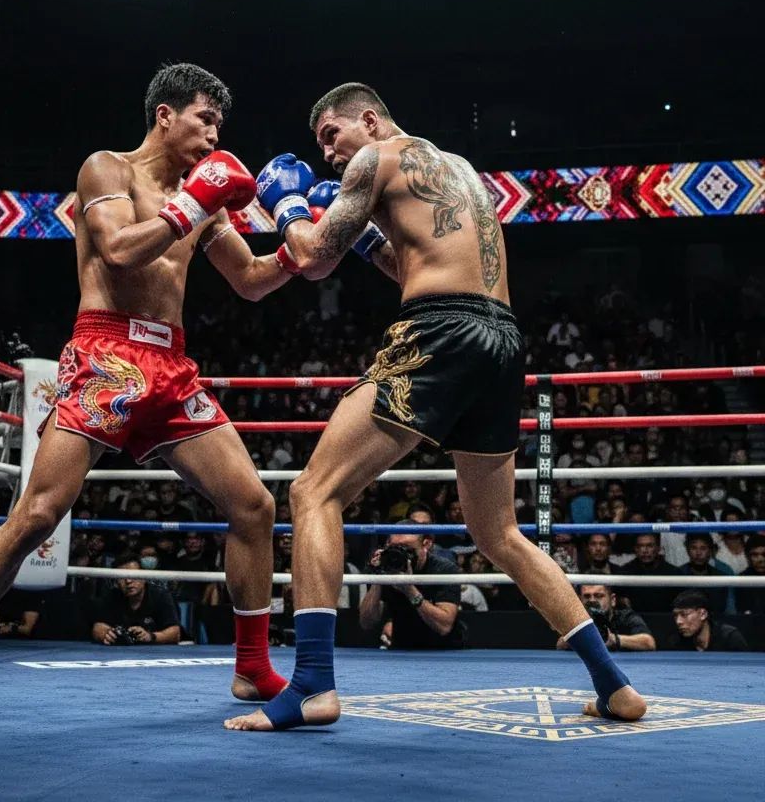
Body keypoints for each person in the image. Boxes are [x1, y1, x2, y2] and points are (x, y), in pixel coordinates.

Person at [225, 81, 645, 731]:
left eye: (332, 137)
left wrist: (282, 199)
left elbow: (309, 258)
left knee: (314, 492)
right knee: (497, 532)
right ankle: (614, 685)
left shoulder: (376, 160)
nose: (330, 155)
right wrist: (367, 242)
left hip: (439, 331)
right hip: (501, 338)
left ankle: (311, 684)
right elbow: (416, 262)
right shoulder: (464, 174)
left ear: (368, 119)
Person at [0, 63, 293, 724]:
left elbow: (250, 279)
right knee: (39, 514)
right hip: (107, 355)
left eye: (220, 124)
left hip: (170, 365)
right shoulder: (106, 169)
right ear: (165, 115)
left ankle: (252, 669)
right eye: (205, 118)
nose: (215, 134)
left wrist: (306, 252)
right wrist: (196, 201)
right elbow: (116, 252)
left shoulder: (203, 197)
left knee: (253, 504)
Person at [358, 520, 464, 650]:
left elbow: (444, 626)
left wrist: (409, 589)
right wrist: (378, 579)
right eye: (395, 548)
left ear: (426, 544)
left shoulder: (444, 570)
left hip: (444, 650)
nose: (401, 554)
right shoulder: (384, 568)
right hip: (401, 649)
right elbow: (367, 622)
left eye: (407, 549)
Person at [91, 554, 182, 645]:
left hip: (155, 653)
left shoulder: (161, 596)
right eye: (122, 577)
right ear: (116, 582)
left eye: (133, 575)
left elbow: (175, 633)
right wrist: (107, 633)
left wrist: (151, 636)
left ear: (144, 577)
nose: (128, 581)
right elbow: (98, 627)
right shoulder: (111, 596)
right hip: (120, 653)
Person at [555, 585, 655, 652]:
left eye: (599, 596)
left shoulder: (626, 616)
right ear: (580, 600)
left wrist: (614, 639)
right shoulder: (577, 619)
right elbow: (560, 644)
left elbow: (649, 642)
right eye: (587, 596)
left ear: (612, 600)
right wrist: (579, 637)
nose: (592, 600)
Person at [666, 590, 748, 652]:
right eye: (675, 615)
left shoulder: (730, 637)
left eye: (684, 615)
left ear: (703, 614)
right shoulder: (676, 641)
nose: (678, 621)